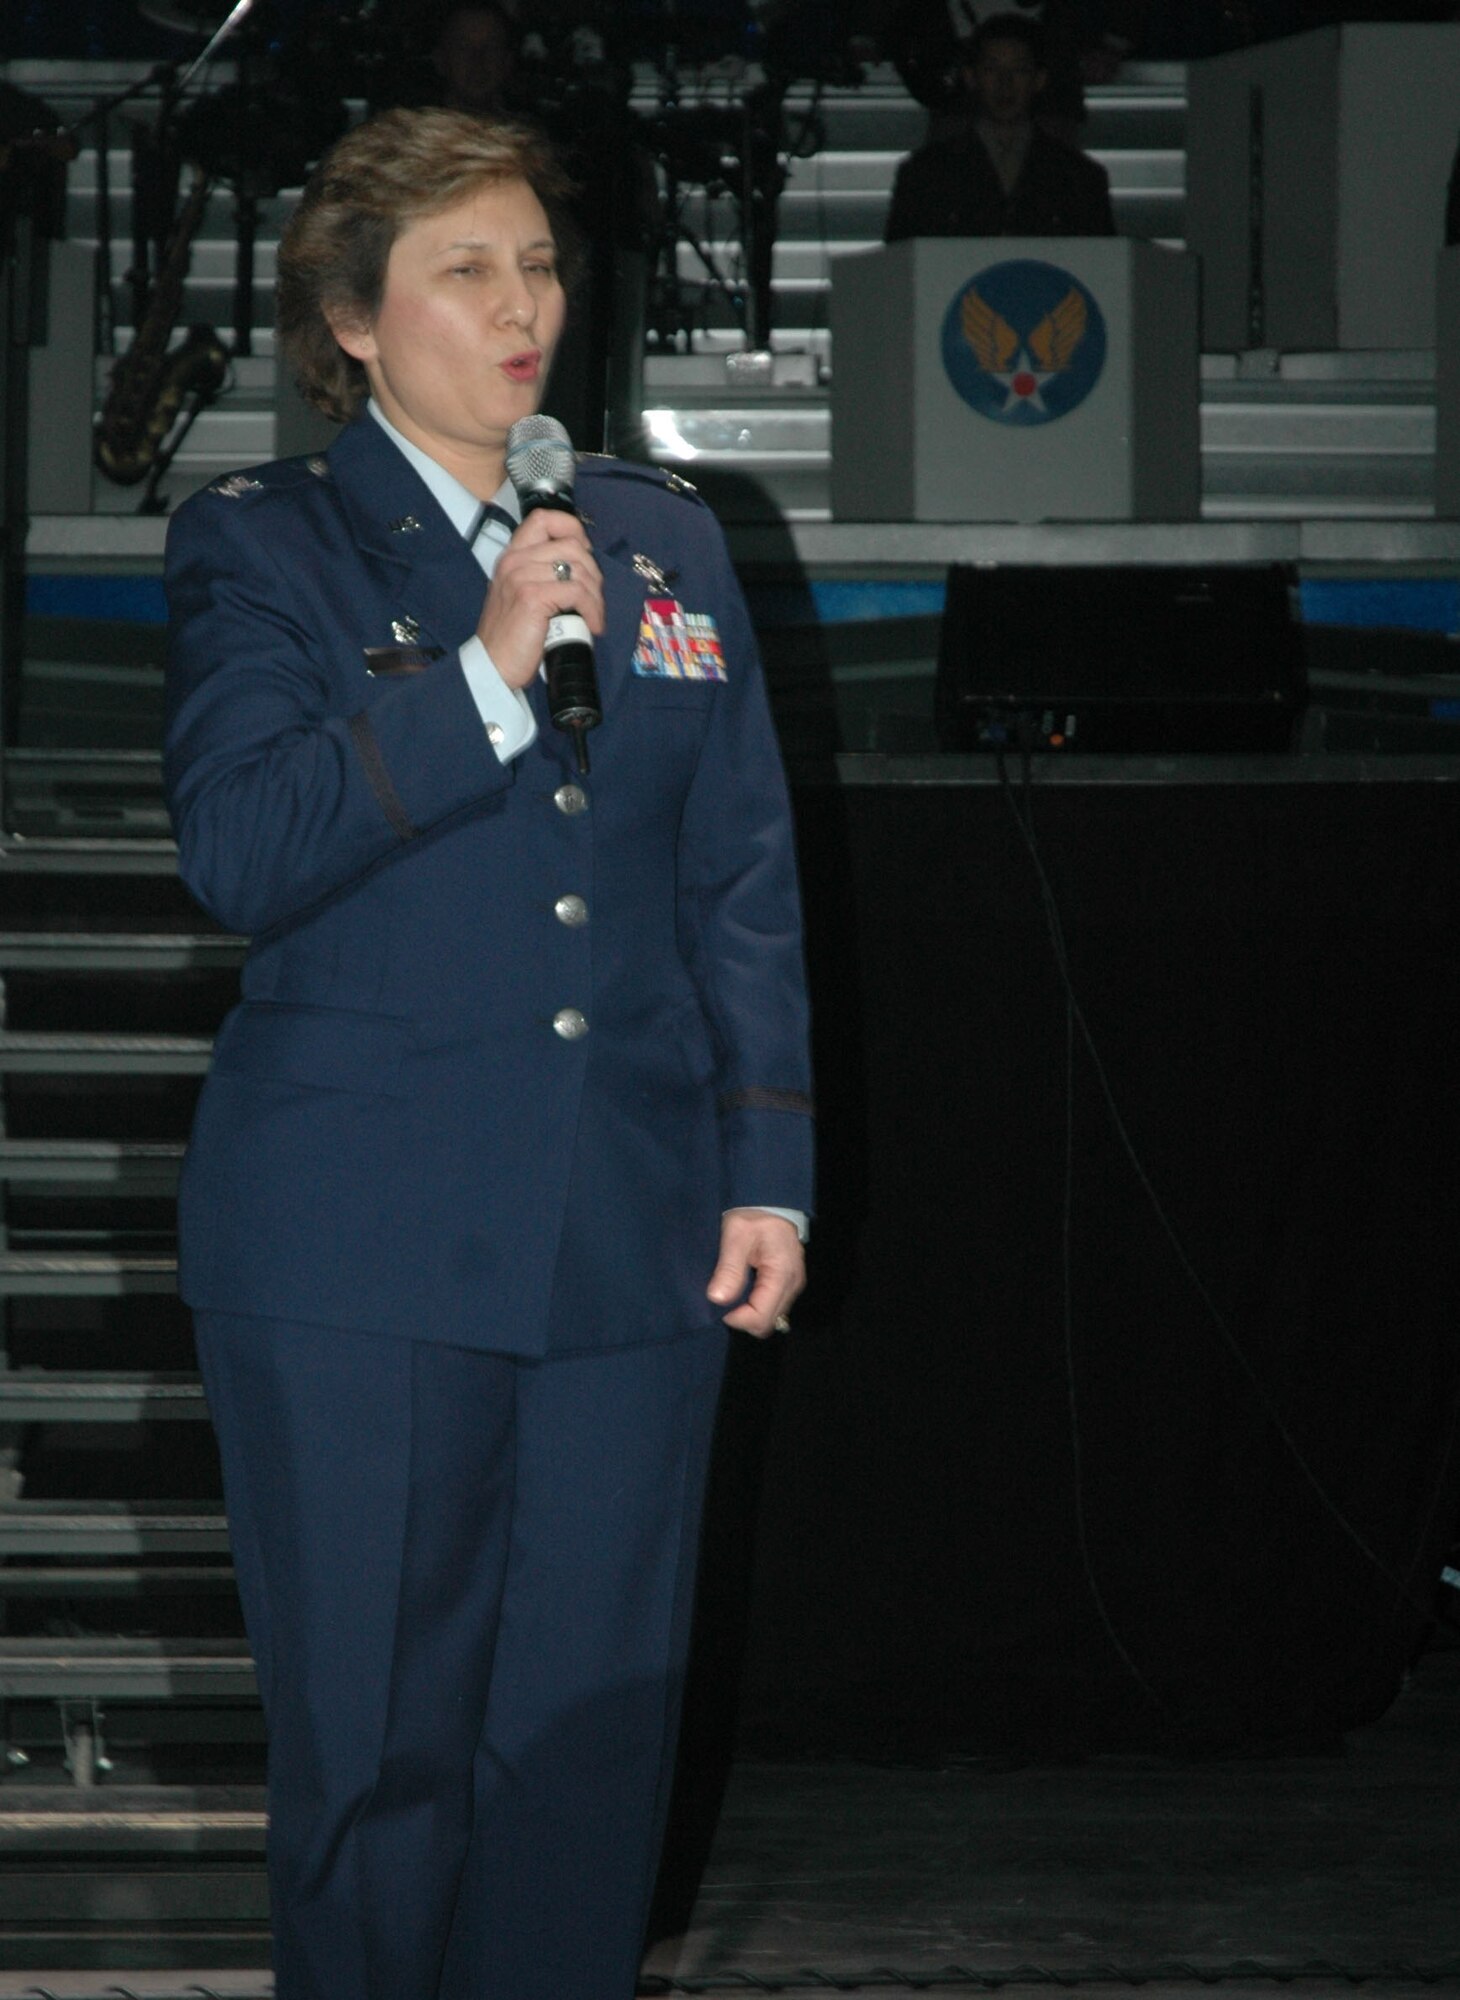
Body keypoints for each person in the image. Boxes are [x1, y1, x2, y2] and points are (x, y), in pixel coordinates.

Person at [163, 106, 812, 2000]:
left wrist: (766, 1159)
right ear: (354, 322)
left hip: (630, 1243)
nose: (523, 305)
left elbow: (743, 871)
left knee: (590, 1762)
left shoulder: (668, 537)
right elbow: (243, 849)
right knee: (380, 1764)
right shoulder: (260, 549)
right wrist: (485, 677)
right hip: (357, 1253)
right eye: (468, 270)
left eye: (538, 262)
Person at [884, 13, 1116, 241]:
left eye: (1019, 70)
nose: (1005, 83)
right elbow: (899, 265)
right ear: (970, 77)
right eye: (991, 69)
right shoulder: (923, 176)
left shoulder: (1081, 179)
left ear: (1039, 80)